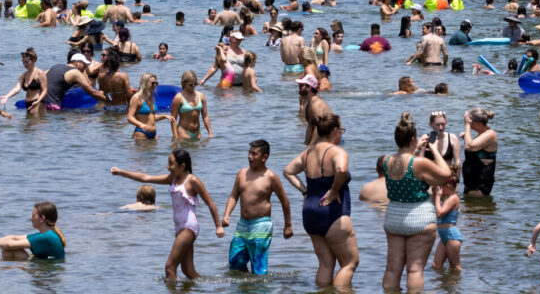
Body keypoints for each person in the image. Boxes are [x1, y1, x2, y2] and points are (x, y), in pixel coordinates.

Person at [111, 150, 224, 279]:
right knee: (188, 271)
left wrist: (218, 226)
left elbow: (210, 203)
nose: (167, 167)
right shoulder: (172, 179)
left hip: (188, 227)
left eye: (171, 164)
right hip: (179, 228)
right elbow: (145, 177)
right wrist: (121, 172)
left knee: (169, 267)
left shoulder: (192, 181)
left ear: (182, 166)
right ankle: (210, 287)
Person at [283, 113, 358, 289]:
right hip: (332, 212)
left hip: (310, 211)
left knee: (326, 264)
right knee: (350, 262)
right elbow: (341, 169)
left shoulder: (308, 152)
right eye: (341, 130)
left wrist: (305, 191)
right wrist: (333, 190)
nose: (341, 134)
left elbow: (288, 171)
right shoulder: (338, 152)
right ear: (334, 131)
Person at [382, 111, 452, 292]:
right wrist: (434, 149)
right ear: (413, 139)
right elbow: (446, 174)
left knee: (392, 269)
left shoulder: (386, 161)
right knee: (415, 270)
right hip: (419, 218)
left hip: (393, 217)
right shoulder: (419, 163)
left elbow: (403, 161)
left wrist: (414, 149)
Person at [222, 139, 294, 275]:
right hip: (243, 224)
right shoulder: (241, 174)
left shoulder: (271, 177)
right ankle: (244, 288)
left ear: (264, 157)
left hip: (261, 225)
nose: (250, 157)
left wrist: (288, 225)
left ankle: (259, 288)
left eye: (254, 154)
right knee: (235, 262)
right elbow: (233, 196)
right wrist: (226, 215)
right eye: (249, 153)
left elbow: (284, 201)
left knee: (258, 268)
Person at [0, 202, 66, 260]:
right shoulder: (45, 234)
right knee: (8, 249)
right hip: (44, 266)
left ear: (42, 218)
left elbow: (10, 245)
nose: (30, 218)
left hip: (48, 270)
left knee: (9, 249)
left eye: (33, 215)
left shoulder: (46, 237)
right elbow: (13, 237)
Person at [43, 54, 108, 110]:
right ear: (76, 62)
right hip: (53, 106)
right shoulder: (75, 72)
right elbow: (91, 91)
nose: (85, 67)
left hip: (42, 103)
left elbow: (42, 75)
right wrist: (109, 100)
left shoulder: (56, 66)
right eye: (84, 64)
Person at [461, 107, 497, 196]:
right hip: (472, 184)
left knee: (477, 208)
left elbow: (470, 147)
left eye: (471, 124)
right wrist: (466, 138)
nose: (470, 126)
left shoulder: (490, 134)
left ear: (478, 124)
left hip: (480, 186)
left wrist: (467, 126)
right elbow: (470, 147)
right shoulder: (481, 134)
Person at [127, 73, 174, 141]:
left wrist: (164, 116)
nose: (155, 85)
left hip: (154, 134)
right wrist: (141, 125)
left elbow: (150, 117)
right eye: (152, 83)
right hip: (141, 133)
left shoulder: (151, 98)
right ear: (145, 84)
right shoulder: (137, 98)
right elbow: (129, 117)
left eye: (156, 83)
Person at [432, 165, 462, 272]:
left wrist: (438, 197)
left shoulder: (453, 198)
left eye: (441, 186)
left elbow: (440, 213)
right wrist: (435, 194)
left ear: (448, 186)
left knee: (455, 268)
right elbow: (436, 208)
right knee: (436, 265)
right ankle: (444, 286)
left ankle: (457, 288)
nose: (439, 189)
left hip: (451, 236)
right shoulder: (447, 199)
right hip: (444, 236)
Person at [170, 69, 213, 139]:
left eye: (195, 84)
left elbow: (205, 116)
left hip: (197, 133)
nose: (193, 86)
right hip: (183, 132)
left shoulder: (201, 96)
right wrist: (175, 136)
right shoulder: (178, 98)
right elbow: (173, 119)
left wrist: (210, 133)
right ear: (184, 83)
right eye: (190, 84)